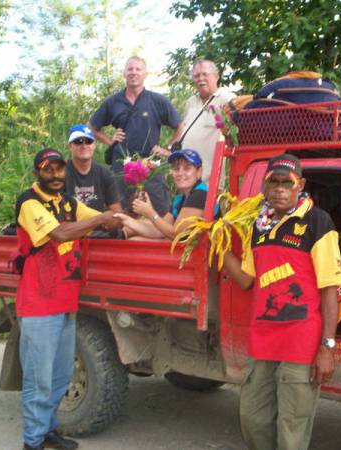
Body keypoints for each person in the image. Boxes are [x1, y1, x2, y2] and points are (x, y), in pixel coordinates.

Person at [222, 154, 341, 450]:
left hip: (300, 341)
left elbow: (330, 288)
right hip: (263, 341)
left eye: (286, 183)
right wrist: (220, 246)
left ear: (299, 185)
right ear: (265, 187)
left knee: (292, 427)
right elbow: (246, 279)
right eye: (273, 182)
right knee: (252, 419)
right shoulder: (258, 227)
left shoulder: (318, 222)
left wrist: (327, 347)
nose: (279, 189)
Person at [15, 148, 119, 450]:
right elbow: (60, 234)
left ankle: (48, 430)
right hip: (38, 305)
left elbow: (101, 219)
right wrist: (99, 219)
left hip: (64, 302)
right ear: (37, 173)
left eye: (60, 169)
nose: (56, 175)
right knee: (39, 379)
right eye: (49, 170)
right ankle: (32, 442)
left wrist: (115, 217)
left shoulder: (68, 203)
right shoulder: (29, 202)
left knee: (61, 376)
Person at [88, 56, 183, 216]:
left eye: (138, 69)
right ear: (124, 73)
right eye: (130, 69)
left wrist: (167, 148)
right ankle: (121, 238)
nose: (134, 72)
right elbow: (91, 126)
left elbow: (179, 125)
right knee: (120, 211)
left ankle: (161, 238)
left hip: (151, 165)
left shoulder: (157, 100)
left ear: (145, 74)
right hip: (122, 165)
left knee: (160, 209)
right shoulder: (113, 102)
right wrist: (110, 141)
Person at [114, 149, 206, 240]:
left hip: (197, 251)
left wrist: (150, 212)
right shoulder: (180, 198)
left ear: (199, 172)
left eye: (187, 168)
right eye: (176, 169)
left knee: (135, 241)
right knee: (133, 237)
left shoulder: (199, 195)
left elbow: (177, 235)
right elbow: (159, 230)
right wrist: (126, 220)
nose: (180, 173)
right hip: (184, 248)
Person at [180, 59, 235, 183]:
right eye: (196, 76)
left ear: (216, 76)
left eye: (205, 74)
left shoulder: (227, 99)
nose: (200, 78)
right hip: (187, 177)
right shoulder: (190, 102)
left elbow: (234, 134)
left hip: (211, 180)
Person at [64, 124, 122, 214]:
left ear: (94, 145)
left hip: (98, 225)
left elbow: (116, 211)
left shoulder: (105, 174)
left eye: (88, 141)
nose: (84, 145)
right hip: (68, 225)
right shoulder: (60, 172)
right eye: (78, 141)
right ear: (70, 146)